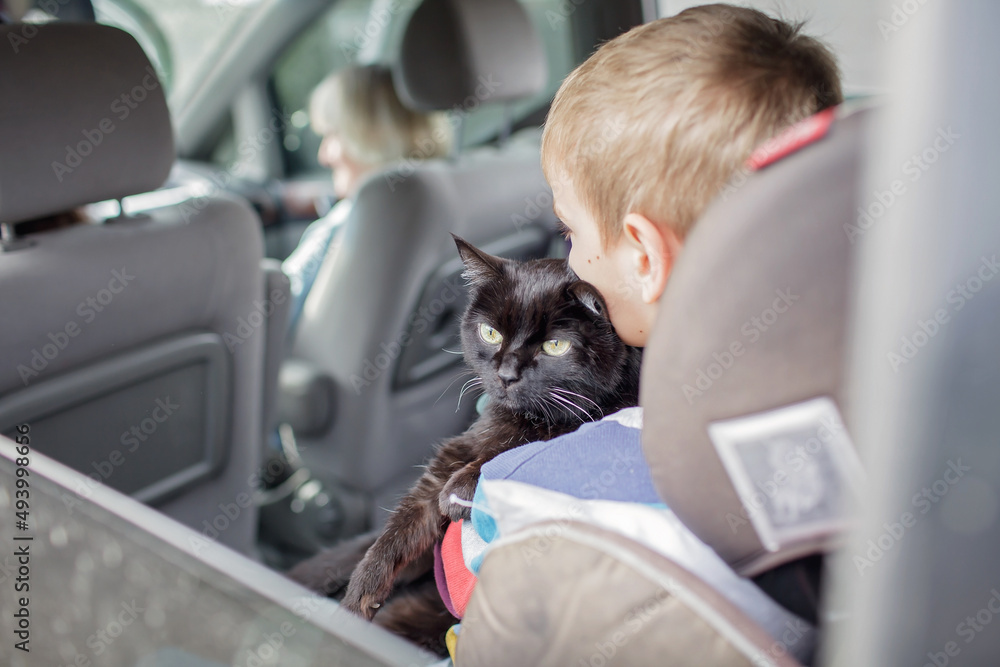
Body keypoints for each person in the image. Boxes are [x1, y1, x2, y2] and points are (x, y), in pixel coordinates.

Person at [438, 2, 843, 650]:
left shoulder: (541, 493)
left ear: (646, 256)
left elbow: (461, 588)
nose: (567, 256)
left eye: (570, 232)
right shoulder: (877, 414)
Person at [282, 64, 451, 331]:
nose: (323, 156)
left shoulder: (344, 226)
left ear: (370, 135)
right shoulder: (457, 197)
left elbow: (275, 318)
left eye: (332, 135)